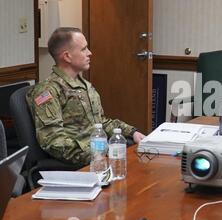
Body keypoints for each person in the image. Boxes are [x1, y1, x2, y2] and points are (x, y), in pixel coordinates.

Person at [27, 27, 145, 166]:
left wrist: (132, 133)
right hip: (78, 164)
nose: (90, 53)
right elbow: (53, 141)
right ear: (67, 56)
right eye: (83, 49)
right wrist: (96, 155)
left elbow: (101, 122)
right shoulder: (48, 91)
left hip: (99, 154)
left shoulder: (85, 86)